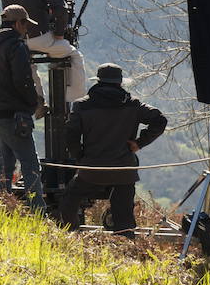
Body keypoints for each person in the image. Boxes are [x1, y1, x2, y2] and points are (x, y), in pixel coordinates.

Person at [59, 63, 166, 237]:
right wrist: (139, 143)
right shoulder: (133, 105)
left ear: (99, 81)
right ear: (120, 83)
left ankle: (70, 235)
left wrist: (80, 158)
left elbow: (70, 135)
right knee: (124, 215)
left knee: (69, 199)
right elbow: (160, 120)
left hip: (91, 170)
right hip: (123, 171)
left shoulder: (82, 106)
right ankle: (126, 247)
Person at [0, 4, 46, 209]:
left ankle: (2, 203)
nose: (26, 29)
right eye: (25, 24)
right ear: (17, 23)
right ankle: (37, 209)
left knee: (6, 159)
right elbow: (23, 80)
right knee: (30, 162)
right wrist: (32, 102)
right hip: (14, 113)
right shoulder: (16, 46)